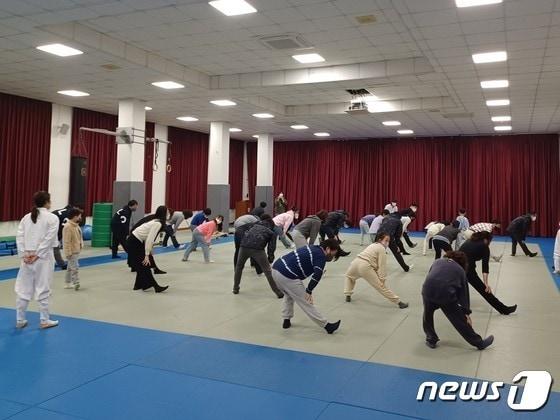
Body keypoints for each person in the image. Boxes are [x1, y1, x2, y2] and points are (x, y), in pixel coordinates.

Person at [421, 251, 494, 350]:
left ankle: (431, 339)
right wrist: (466, 313)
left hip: (427, 290)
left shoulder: (437, 261)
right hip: (445, 294)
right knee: (459, 321)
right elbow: (464, 294)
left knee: (427, 315)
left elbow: (431, 275)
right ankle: (479, 343)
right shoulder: (460, 270)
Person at [272, 239, 342, 334]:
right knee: (306, 301)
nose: (333, 257)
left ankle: (286, 319)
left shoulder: (313, 248)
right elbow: (317, 274)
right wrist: (309, 291)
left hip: (276, 269)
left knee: (289, 295)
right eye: (334, 254)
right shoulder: (321, 256)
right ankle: (327, 326)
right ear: (328, 249)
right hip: (287, 274)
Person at [15, 191, 59, 329]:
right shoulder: (52, 218)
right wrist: (38, 254)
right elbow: (49, 239)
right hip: (43, 257)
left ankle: (20, 319)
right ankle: (44, 320)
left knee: (24, 288)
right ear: (47, 202)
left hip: (27, 257)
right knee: (43, 287)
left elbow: (19, 237)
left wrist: (24, 254)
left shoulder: (26, 218)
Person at [344, 233, 408, 308]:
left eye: (388, 241)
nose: (387, 243)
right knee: (381, 287)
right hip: (365, 266)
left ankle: (347, 295)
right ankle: (399, 302)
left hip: (355, 262)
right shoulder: (381, 249)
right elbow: (382, 266)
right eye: (386, 240)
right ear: (380, 240)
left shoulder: (372, 245)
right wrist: (382, 279)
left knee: (349, 277)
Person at [460, 231, 517, 315]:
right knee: (483, 290)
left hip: (455, 265)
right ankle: (504, 309)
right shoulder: (484, 247)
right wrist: (486, 283)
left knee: (459, 289)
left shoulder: (469, 241)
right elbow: (485, 266)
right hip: (467, 269)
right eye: (490, 241)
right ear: (486, 239)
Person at [233, 215, 283, 298]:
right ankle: (278, 293)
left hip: (243, 246)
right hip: (258, 249)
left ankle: (235, 288)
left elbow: (240, 229)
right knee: (267, 271)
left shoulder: (253, 224)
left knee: (239, 267)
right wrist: (270, 258)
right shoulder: (271, 232)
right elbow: (271, 247)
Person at [127, 206, 169, 293]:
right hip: (134, 241)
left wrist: (149, 251)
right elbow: (150, 239)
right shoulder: (158, 223)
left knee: (143, 264)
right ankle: (156, 286)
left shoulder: (156, 221)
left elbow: (147, 238)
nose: (168, 213)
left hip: (136, 240)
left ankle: (138, 285)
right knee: (145, 264)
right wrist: (146, 255)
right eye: (167, 212)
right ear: (164, 213)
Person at [62, 208, 83, 291]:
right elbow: (66, 241)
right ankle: (76, 282)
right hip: (71, 252)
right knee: (75, 267)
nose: (80, 218)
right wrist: (68, 253)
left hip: (76, 249)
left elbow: (79, 237)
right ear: (75, 217)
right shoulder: (68, 227)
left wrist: (81, 244)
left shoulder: (76, 226)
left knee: (70, 267)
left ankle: (67, 283)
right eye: (79, 216)